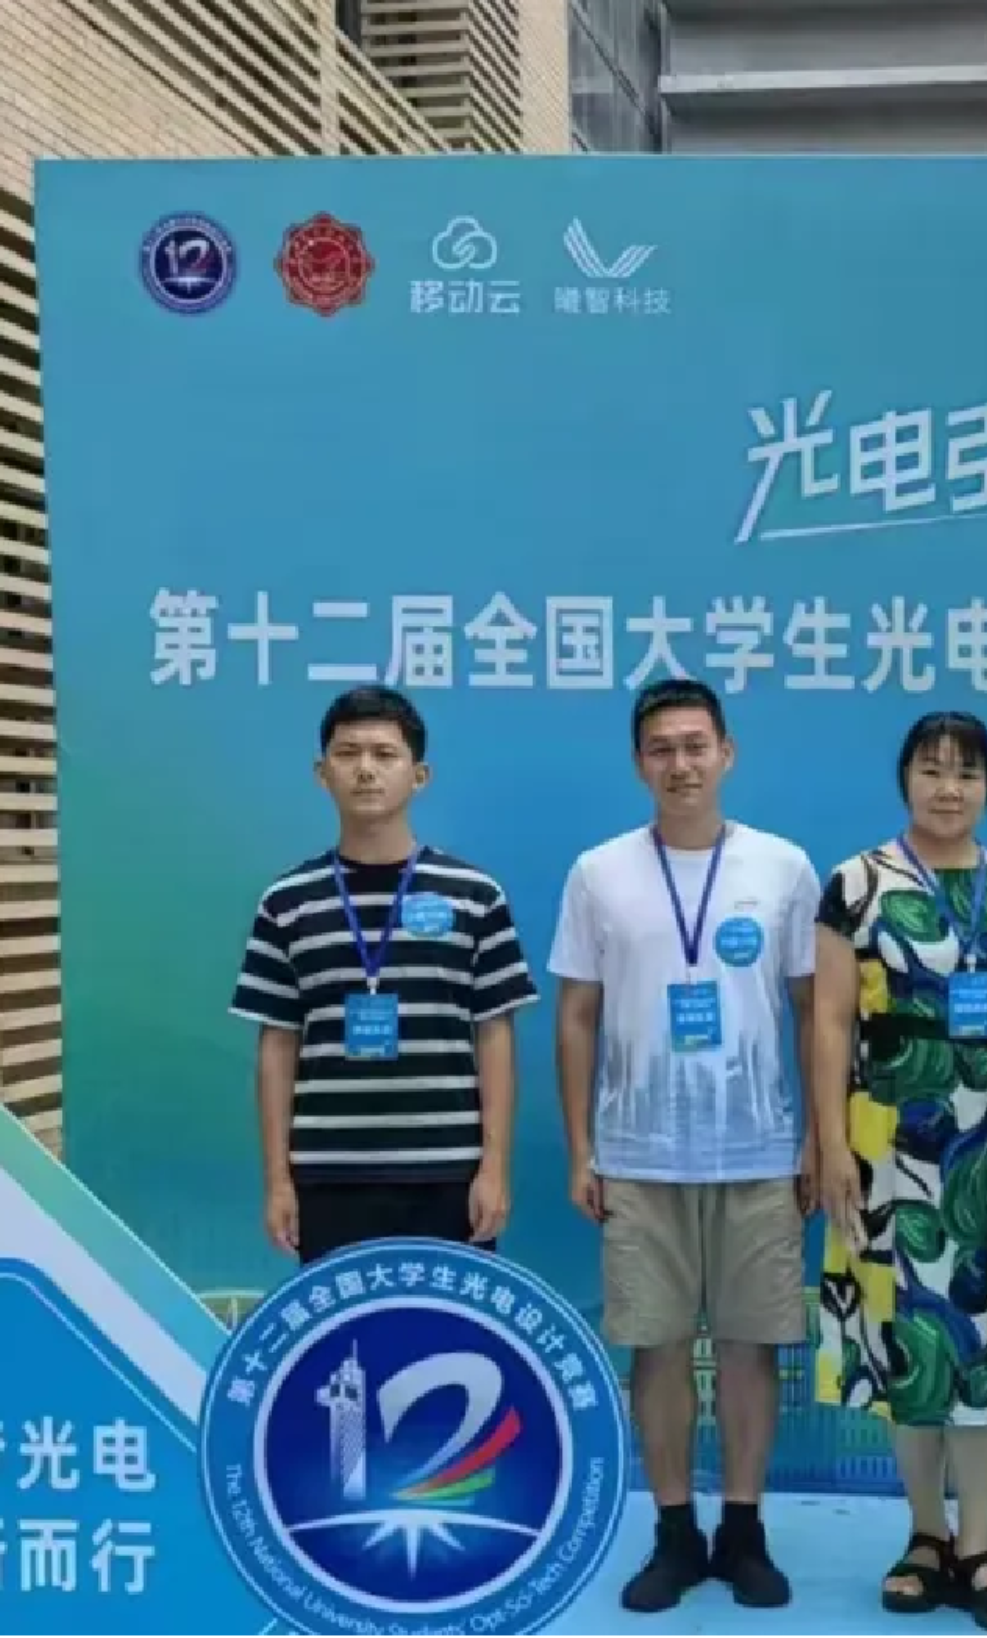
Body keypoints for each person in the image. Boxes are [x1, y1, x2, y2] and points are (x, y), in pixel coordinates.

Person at [547, 678, 819, 1613]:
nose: (681, 763)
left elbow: (814, 1010)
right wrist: (581, 1147)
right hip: (638, 1154)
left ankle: (743, 1529)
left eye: (696, 745)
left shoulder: (782, 867)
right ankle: (673, 1531)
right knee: (656, 1348)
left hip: (759, 1152)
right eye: (661, 748)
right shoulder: (599, 872)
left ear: (727, 752)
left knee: (750, 1347)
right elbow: (575, 1016)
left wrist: (817, 1138)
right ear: (639, 763)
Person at [809, 711, 987, 1635]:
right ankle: (924, 1534)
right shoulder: (857, 883)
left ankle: (980, 1545)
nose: (948, 788)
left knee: (984, 1350)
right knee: (907, 1339)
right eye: (931, 769)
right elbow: (831, 1022)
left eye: (966, 773)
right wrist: (832, 1144)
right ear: (904, 778)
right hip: (886, 1141)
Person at [228, 684, 537, 1265]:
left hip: (449, 1173)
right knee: (348, 1325)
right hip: (327, 1176)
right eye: (347, 754)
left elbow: (495, 1034)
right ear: (322, 774)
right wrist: (278, 1180)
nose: (365, 769)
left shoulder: (475, 896)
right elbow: (277, 1044)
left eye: (384, 754)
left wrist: (493, 1168)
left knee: (447, 1325)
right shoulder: (287, 902)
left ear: (418, 775)